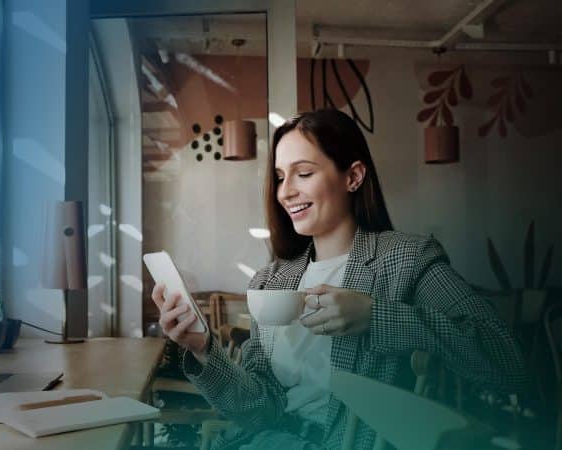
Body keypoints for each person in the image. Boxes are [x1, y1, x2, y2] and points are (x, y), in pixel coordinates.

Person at [151, 109, 527, 450]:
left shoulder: (406, 259)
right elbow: (257, 412)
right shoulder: (271, 280)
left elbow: (507, 363)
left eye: (304, 173)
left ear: (353, 176)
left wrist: (375, 317)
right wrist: (202, 347)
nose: (286, 191)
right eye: (281, 177)